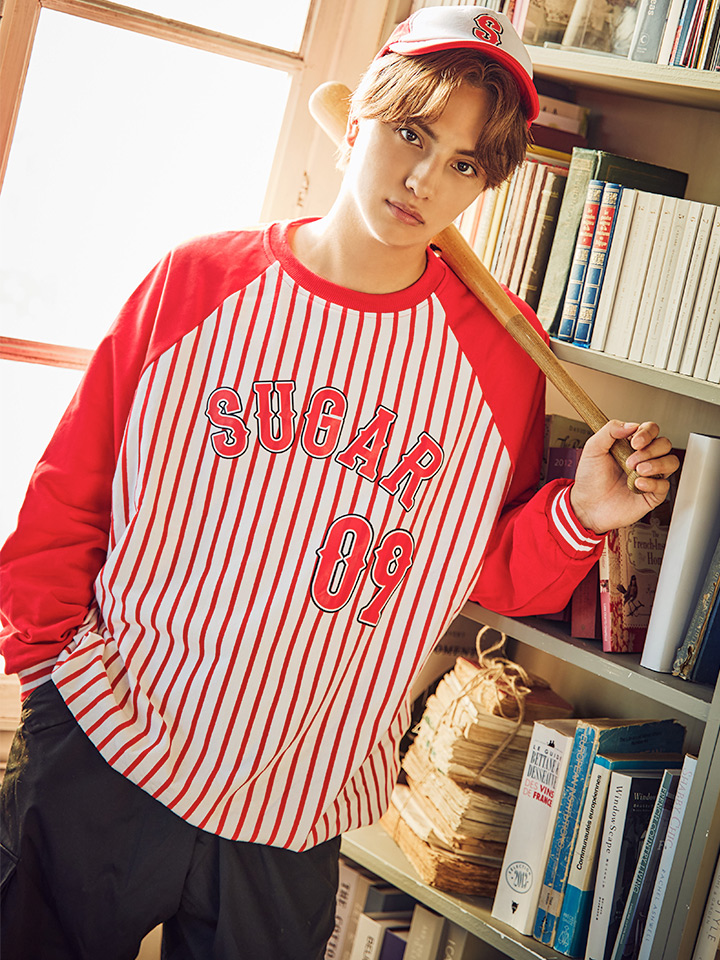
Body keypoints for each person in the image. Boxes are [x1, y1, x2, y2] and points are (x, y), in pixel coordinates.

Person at [0, 6, 678, 959]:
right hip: (110, 739)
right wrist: (45, 679)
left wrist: (580, 513)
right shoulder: (197, 282)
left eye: (464, 164)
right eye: (413, 133)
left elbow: (480, 569)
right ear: (358, 115)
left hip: (296, 799)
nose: (425, 179)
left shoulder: (498, 357)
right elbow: (69, 492)